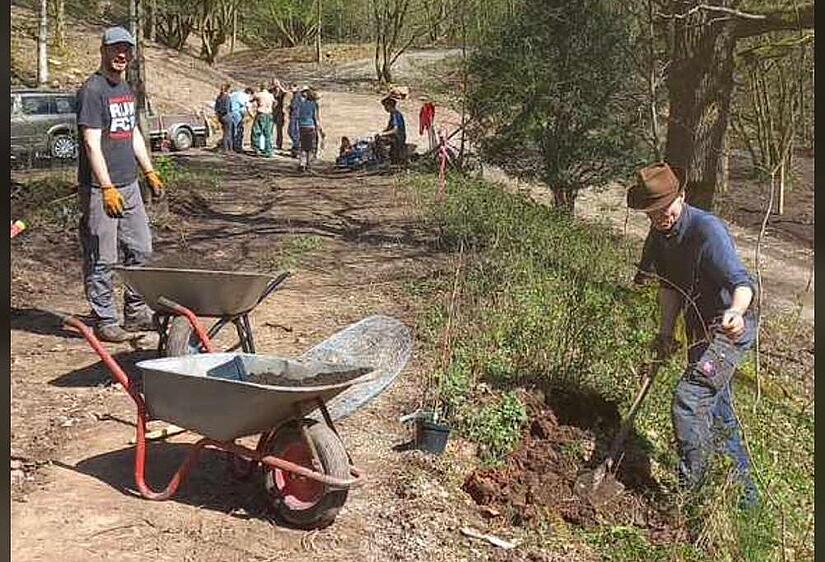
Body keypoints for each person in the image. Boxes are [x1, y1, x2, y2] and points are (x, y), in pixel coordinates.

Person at [628, 162, 759, 507]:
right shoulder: (658, 238)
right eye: (652, 213)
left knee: (689, 401)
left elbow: (742, 283)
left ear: (681, 196)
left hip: (730, 330)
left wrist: (735, 312)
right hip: (700, 330)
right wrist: (666, 332)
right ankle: (746, 500)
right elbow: (669, 288)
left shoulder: (706, 230)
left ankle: (694, 495)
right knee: (717, 410)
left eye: (665, 209)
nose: (661, 218)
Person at [76, 27, 165, 342]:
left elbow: (133, 134)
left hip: (130, 186)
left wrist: (149, 171)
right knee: (103, 256)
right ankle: (105, 319)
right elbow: (91, 144)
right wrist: (107, 187)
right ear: (103, 50)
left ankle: (136, 312)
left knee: (141, 250)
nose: (121, 54)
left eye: (126, 49)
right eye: (115, 49)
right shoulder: (93, 90)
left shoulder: (126, 88)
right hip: (101, 190)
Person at [296, 87, 323, 172]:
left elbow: (298, 115)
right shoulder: (314, 105)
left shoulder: (302, 104)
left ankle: (301, 163)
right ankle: (308, 165)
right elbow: (315, 117)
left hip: (301, 127)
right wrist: (320, 130)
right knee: (311, 148)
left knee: (303, 146)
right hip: (310, 127)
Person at [377, 95, 407, 165]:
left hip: (398, 138)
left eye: (385, 106)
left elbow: (395, 130)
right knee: (378, 137)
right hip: (395, 137)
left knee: (380, 140)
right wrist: (381, 132)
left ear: (389, 105)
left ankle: (386, 159)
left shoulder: (396, 115)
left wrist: (383, 134)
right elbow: (388, 128)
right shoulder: (392, 115)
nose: (385, 108)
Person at [251, 83, 275, 157]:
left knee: (256, 131)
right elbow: (275, 102)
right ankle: (268, 150)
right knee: (268, 133)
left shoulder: (259, 95)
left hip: (261, 113)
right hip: (269, 114)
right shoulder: (271, 95)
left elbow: (250, 100)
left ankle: (257, 148)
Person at [228, 86, 253, 152]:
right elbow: (247, 106)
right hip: (237, 114)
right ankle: (237, 146)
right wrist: (252, 115)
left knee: (231, 130)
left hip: (229, 113)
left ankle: (231, 145)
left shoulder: (234, 94)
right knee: (239, 130)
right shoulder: (245, 96)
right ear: (249, 93)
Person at [271, 78, 288, 151]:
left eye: (276, 82)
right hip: (272, 111)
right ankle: (270, 142)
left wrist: (280, 86)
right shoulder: (271, 91)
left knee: (279, 129)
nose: (275, 84)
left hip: (280, 111)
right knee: (270, 127)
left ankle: (279, 144)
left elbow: (286, 92)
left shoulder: (282, 92)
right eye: (274, 82)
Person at [287, 84, 304, 158]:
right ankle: (296, 148)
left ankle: (297, 148)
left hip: (296, 116)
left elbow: (294, 106)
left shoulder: (297, 95)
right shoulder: (295, 95)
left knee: (292, 132)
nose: (290, 89)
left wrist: (289, 107)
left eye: (291, 88)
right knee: (293, 132)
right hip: (295, 116)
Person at [214, 82, 232, 151]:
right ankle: (227, 148)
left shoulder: (219, 97)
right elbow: (227, 108)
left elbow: (216, 108)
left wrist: (218, 114)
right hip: (226, 116)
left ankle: (227, 147)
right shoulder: (227, 97)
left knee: (225, 132)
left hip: (220, 117)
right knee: (228, 133)